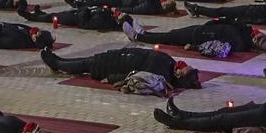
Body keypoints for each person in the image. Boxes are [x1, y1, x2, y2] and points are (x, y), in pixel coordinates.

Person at [39, 45, 201, 92]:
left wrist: (112, 78)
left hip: (116, 64)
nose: (184, 65)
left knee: (86, 65)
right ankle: (59, 61)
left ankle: (57, 64)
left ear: (180, 76)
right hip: (121, 56)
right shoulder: (169, 64)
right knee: (87, 61)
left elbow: (135, 75)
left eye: (186, 69)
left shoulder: (162, 74)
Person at [122, 17, 266, 57]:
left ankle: (138, 37)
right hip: (200, 30)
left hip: (197, 38)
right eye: (261, 36)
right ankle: (144, 34)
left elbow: (216, 48)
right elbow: (225, 20)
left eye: (259, 40)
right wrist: (210, 24)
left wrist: (194, 47)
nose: (258, 36)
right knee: (171, 34)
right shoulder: (244, 28)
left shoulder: (239, 44)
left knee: (169, 37)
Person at [184, 1, 266, 27]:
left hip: (249, 13)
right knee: (223, 13)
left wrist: (252, 9)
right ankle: (198, 9)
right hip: (250, 15)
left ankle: (197, 9)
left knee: (222, 12)